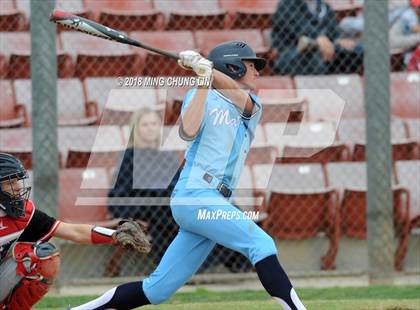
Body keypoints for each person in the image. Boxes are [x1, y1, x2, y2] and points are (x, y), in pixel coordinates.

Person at [70, 41, 307, 310]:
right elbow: (188, 132)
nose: (257, 71)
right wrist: (204, 81)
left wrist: (206, 69)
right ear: (233, 66)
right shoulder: (198, 93)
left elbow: (240, 100)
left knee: (157, 290)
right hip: (194, 195)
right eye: (251, 65)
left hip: (215, 200)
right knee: (261, 243)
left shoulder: (252, 103)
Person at [0, 152, 149, 309]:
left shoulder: (23, 212)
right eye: (10, 183)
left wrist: (114, 235)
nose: (17, 187)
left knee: (42, 256)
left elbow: (73, 231)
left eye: (17, 181)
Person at [106, 108, 179, 275]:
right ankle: (171, 266)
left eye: (154, 123)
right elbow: (123, 190)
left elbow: (176, 181)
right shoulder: (130, 155)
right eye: (145, 124)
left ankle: (172, 266)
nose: (150, 128)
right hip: (136, 203)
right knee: (163, 209)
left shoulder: (167, 154)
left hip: (163, 203)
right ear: (136, 128)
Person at [271, 0, 363, 75]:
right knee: (315, 56)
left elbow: (333, 32)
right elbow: (300, 28)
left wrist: (339, 40)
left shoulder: (325, 7)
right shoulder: (286, 4)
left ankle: (343, 86)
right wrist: (319, 38)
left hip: (326, 50)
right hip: (292, 53)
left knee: (358, 50)